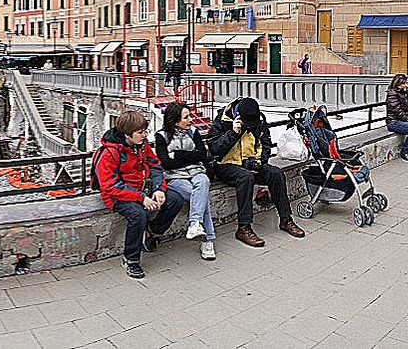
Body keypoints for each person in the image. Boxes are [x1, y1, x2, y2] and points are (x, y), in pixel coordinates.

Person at [96, 111, 187, 279]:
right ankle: (131, 259)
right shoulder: (109, 153)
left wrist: (159, 188)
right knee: (138, 214)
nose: (145, 135)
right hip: (119, 195)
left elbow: (154, 166)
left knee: (175, 199)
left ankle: (153, 231)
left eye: (145, 131)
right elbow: (110, 186)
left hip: (144, 188)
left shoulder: (141, 145)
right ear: (127, 135)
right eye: (141, 132)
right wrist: (140, 198)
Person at [204, 97, 304, 248]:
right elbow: (214, 148)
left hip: (251, 163)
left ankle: (285, 219)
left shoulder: (258, 120)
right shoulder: (223, 119)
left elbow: (265, 144)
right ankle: (244, 228)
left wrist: (260, 162)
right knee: (245, 177)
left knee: (276, 174)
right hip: (225, 165)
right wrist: (233, 132)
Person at [155, 102, 219, 261]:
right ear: (175, 121)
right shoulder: (161, 136)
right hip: (174, 176)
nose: (190, 119)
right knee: (199, 196)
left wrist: (177, 155)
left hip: (197, 172)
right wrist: (190, 156)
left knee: (202, 182)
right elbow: (165, 163)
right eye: (186, 117)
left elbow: (202, 155)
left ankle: (194, 224)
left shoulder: (194, 132)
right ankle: (208, 240)